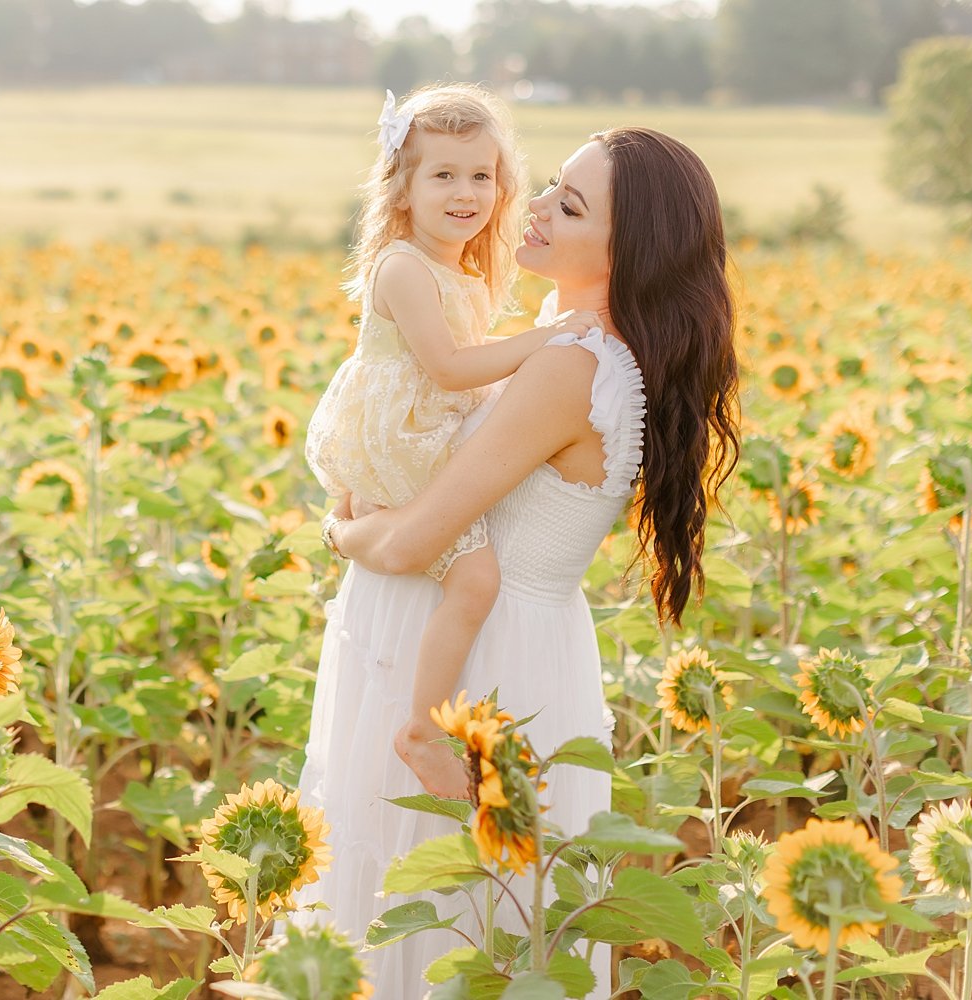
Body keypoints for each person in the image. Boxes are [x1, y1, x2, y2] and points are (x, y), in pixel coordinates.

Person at [290, 127, 741, 999]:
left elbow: (421, 538)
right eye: (550, 186)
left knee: (445, 921)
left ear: (628, 249)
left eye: (569, 205)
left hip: (481, 664)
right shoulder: (577, 344)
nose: (529, 205)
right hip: (505, 640)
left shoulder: (569, 366)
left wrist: (339, 531)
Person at [304, 84, 603, 799]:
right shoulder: (405, 266)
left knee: (438, 560)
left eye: (482, 175)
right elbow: (446, 367)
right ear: (401, 190)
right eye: (442, 175)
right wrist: (544, 340)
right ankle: (420, 727)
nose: (466, 191)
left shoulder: (454, 268)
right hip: (400, 436)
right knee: (474, 579)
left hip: (417, 429)